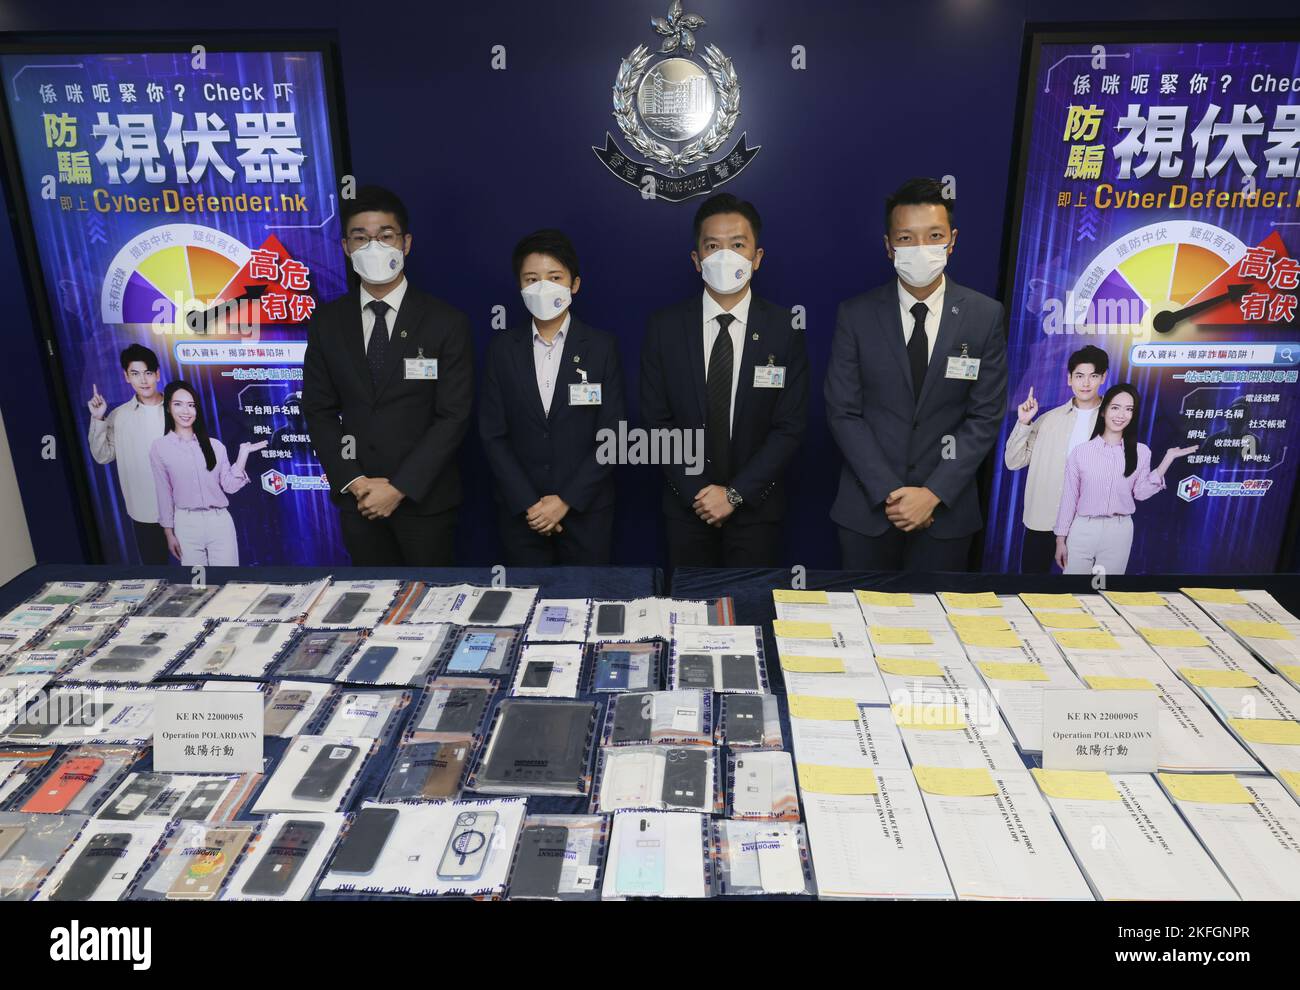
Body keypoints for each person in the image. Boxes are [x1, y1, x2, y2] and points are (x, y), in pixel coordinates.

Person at [825, 176, 1008, 571]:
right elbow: (843, 412)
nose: (921, 248)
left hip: (946, 515)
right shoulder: (855, 315)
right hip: (868, 513)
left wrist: (933, 493)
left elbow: (984, 417)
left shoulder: (984, 315)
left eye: (934, 235)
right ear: (889, 246)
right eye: (907, 238)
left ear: (952, 240)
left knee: (937, 629)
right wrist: (891, 492)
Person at [302, 185, 474, 565]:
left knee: (429, 610)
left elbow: (454, 415)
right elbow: (317, 409)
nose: (373, 247)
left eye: (385, 236)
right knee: (369, 609)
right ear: (346, 247)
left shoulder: (446, 322)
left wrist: (400, 487)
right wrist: (355, 481)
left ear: (406, 243)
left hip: (425, 502)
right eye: (361, 238)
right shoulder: (327, 324)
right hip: (359, 502)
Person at [639, 192, 808, 567]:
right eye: (713, 246)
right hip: (687, 509)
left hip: (757, 512)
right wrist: (698, 491)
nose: (725, 256)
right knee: (684, 615)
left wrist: (733, 495)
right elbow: (655, 422)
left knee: (751, 616)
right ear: (697, 260)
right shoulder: (664, 328)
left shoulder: (785, 329)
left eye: (737, 245)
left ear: (756, 258)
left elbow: (789, 427)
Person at [479, 230, 626, 565]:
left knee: (586, 606)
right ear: (520, 287)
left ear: (574, 284)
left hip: (586, 513)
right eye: (532, 279)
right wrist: (531, 504)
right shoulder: (502, 350)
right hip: (522, 515)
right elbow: (493, 435)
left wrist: (565, 502)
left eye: (554, 277)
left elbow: (613, 437)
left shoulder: (601, 347)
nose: (542, 287)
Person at [1054, 383, 1197, 575]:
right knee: (1073, 589)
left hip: (1118, 531)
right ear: (1103, 411)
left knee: (1103, 590)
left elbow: (1141, 493)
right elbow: (1069, 498)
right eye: (1115, 407)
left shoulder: (1141, 452)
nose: (1121, 415)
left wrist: (1166, 460)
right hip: (1083, 529)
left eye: (1128, 409)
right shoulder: (1081, 452)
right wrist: (1060, 540)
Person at [1003, 344, 1109, 573]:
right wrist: (1023, 423)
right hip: (1042, 521)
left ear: (1103, 378)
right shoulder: (1048, 420)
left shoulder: (1112, 422)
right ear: (1069, 379)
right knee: (1033, 589)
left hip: (1087, 524)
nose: (1086, 383)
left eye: (1093, 376)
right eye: (1079, 376)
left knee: (1081, 594)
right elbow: (1013, 461)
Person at [148, 381, 265, 565]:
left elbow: (230, 487)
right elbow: (164, 493)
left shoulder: (215, 446)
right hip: (186, 523)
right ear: (168, 408)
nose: (186, 411)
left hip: (219, 521)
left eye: (191, 405)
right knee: (198, 585)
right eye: (178, 404)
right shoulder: (160, 448)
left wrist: (242, 456)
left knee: (227, 581)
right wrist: (169, 533)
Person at [87, 344, 168, 563]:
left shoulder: (177, 408)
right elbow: (102, 456)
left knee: (197, 577)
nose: (143, 380)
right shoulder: (119, 416)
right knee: (157, 575)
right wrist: (97, 418)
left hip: (184, 508)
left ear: (157, 374)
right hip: (144, 512)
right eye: (135, 374)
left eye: (148, 373)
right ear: (126, 377)